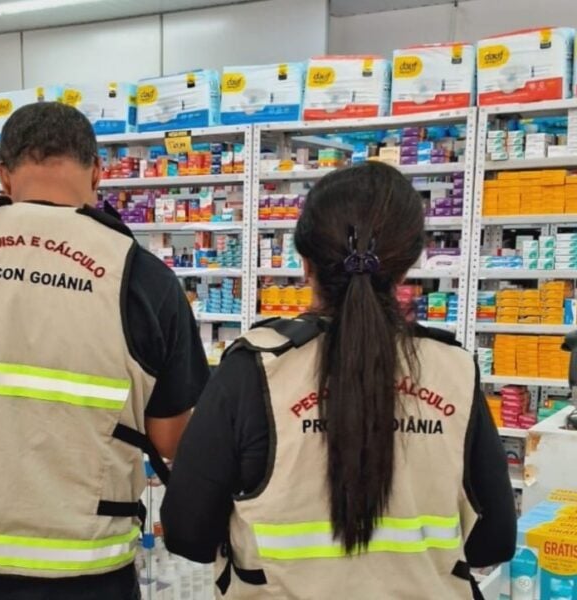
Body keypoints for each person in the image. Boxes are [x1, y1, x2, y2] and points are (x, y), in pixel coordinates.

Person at [0, 102, 210, 600]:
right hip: (88, 572)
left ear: (3, 176)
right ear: (98, 175)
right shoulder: (141, 276)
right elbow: (174, 440)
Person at [161, 162, 517, 599]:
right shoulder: (453, 370)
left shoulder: (256, 369)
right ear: (406, 267)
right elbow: (494, 541)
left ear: (305, 263)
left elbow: (186, 532)